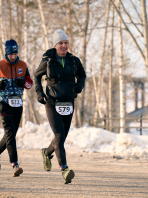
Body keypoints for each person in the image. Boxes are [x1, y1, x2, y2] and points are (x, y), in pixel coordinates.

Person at [34, 29, 86, 184]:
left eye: (66, 43)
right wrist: (39, 93)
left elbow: (82, 75)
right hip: (52, 102)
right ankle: (64, 169)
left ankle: (46, 152)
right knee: (59, 135)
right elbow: (36, 76)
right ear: (55, 45)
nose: (64, 46)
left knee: (61, 138)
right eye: (61, 43)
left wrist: (79, 86)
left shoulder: (74, 61)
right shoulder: (47, 61)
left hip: (68, 103)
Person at [0, 39, 33, 177]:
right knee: (10, 133)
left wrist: (22, 82)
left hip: (18, 103)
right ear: (7, 53)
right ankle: (15, 164)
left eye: (16, 53)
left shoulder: (23, 65)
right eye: (11, 54)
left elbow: (30, 83)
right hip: (4, 103)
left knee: (11, 134)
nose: (14, 56)